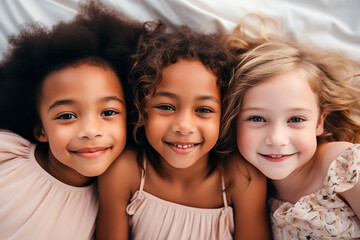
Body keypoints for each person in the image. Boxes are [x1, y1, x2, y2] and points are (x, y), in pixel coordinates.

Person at [96, 22, 271, 240]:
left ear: (224, 115)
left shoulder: (242, 178)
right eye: (166, 107)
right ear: (141, 109)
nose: (184, 126)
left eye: (204, 110)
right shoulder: (124, 172)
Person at [0, 1, 143, 239]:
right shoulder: (8, 154)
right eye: (67, 116)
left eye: (108, 112)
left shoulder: (112, 201)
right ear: (40, 129)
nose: (90, 131)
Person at [221, 17, 360, 239]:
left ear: (318, 123)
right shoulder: (251, 191)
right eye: (256, 118)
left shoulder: (341, 164)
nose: (276, 139)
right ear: (233, 121)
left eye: (295, 119)